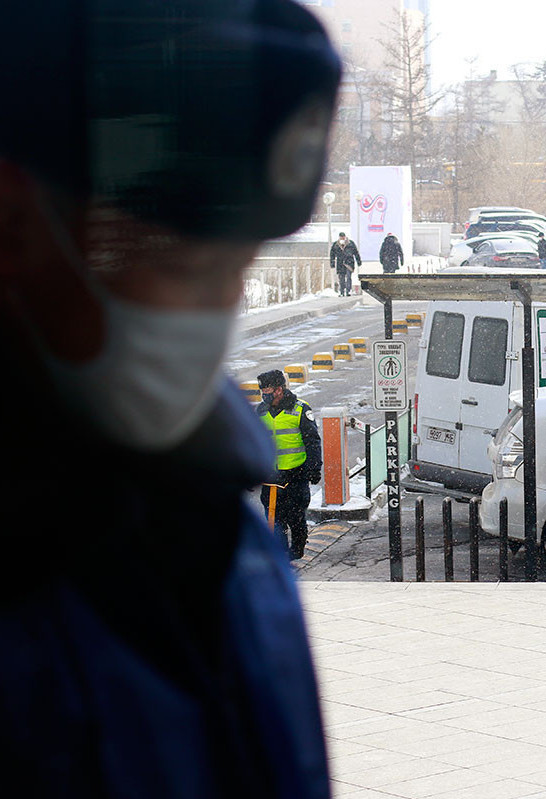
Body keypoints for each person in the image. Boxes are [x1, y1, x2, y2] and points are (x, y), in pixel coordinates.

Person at [0, 1, 339, 795]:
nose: (214, 317)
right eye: (182, 271)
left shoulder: (225, 535)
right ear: (14, 225)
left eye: (236, 272)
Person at [257, 370, 323, 560]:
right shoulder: (260, 412)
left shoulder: (300, 409)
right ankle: (280, 555)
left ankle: (297, 550)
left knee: (296, 518)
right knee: (274, 520)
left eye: (267, 389)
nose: (264, 394)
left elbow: (312, 441)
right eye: (261, 390)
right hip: (270, 477)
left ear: (279, 389)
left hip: (296, 475)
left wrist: (313, 468)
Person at [330, 231, 361, 296]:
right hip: (340, 263)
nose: (342, 238)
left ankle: (348, 291)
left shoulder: (351, 243)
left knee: (348, 277)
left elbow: (356, 252)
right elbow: (332, 254)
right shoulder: (336, 244)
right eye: (341, 237)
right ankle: (342, 291)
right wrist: (332, 263)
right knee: (341, 278)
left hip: (349, 263)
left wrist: (358, 261)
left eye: (343, 237)